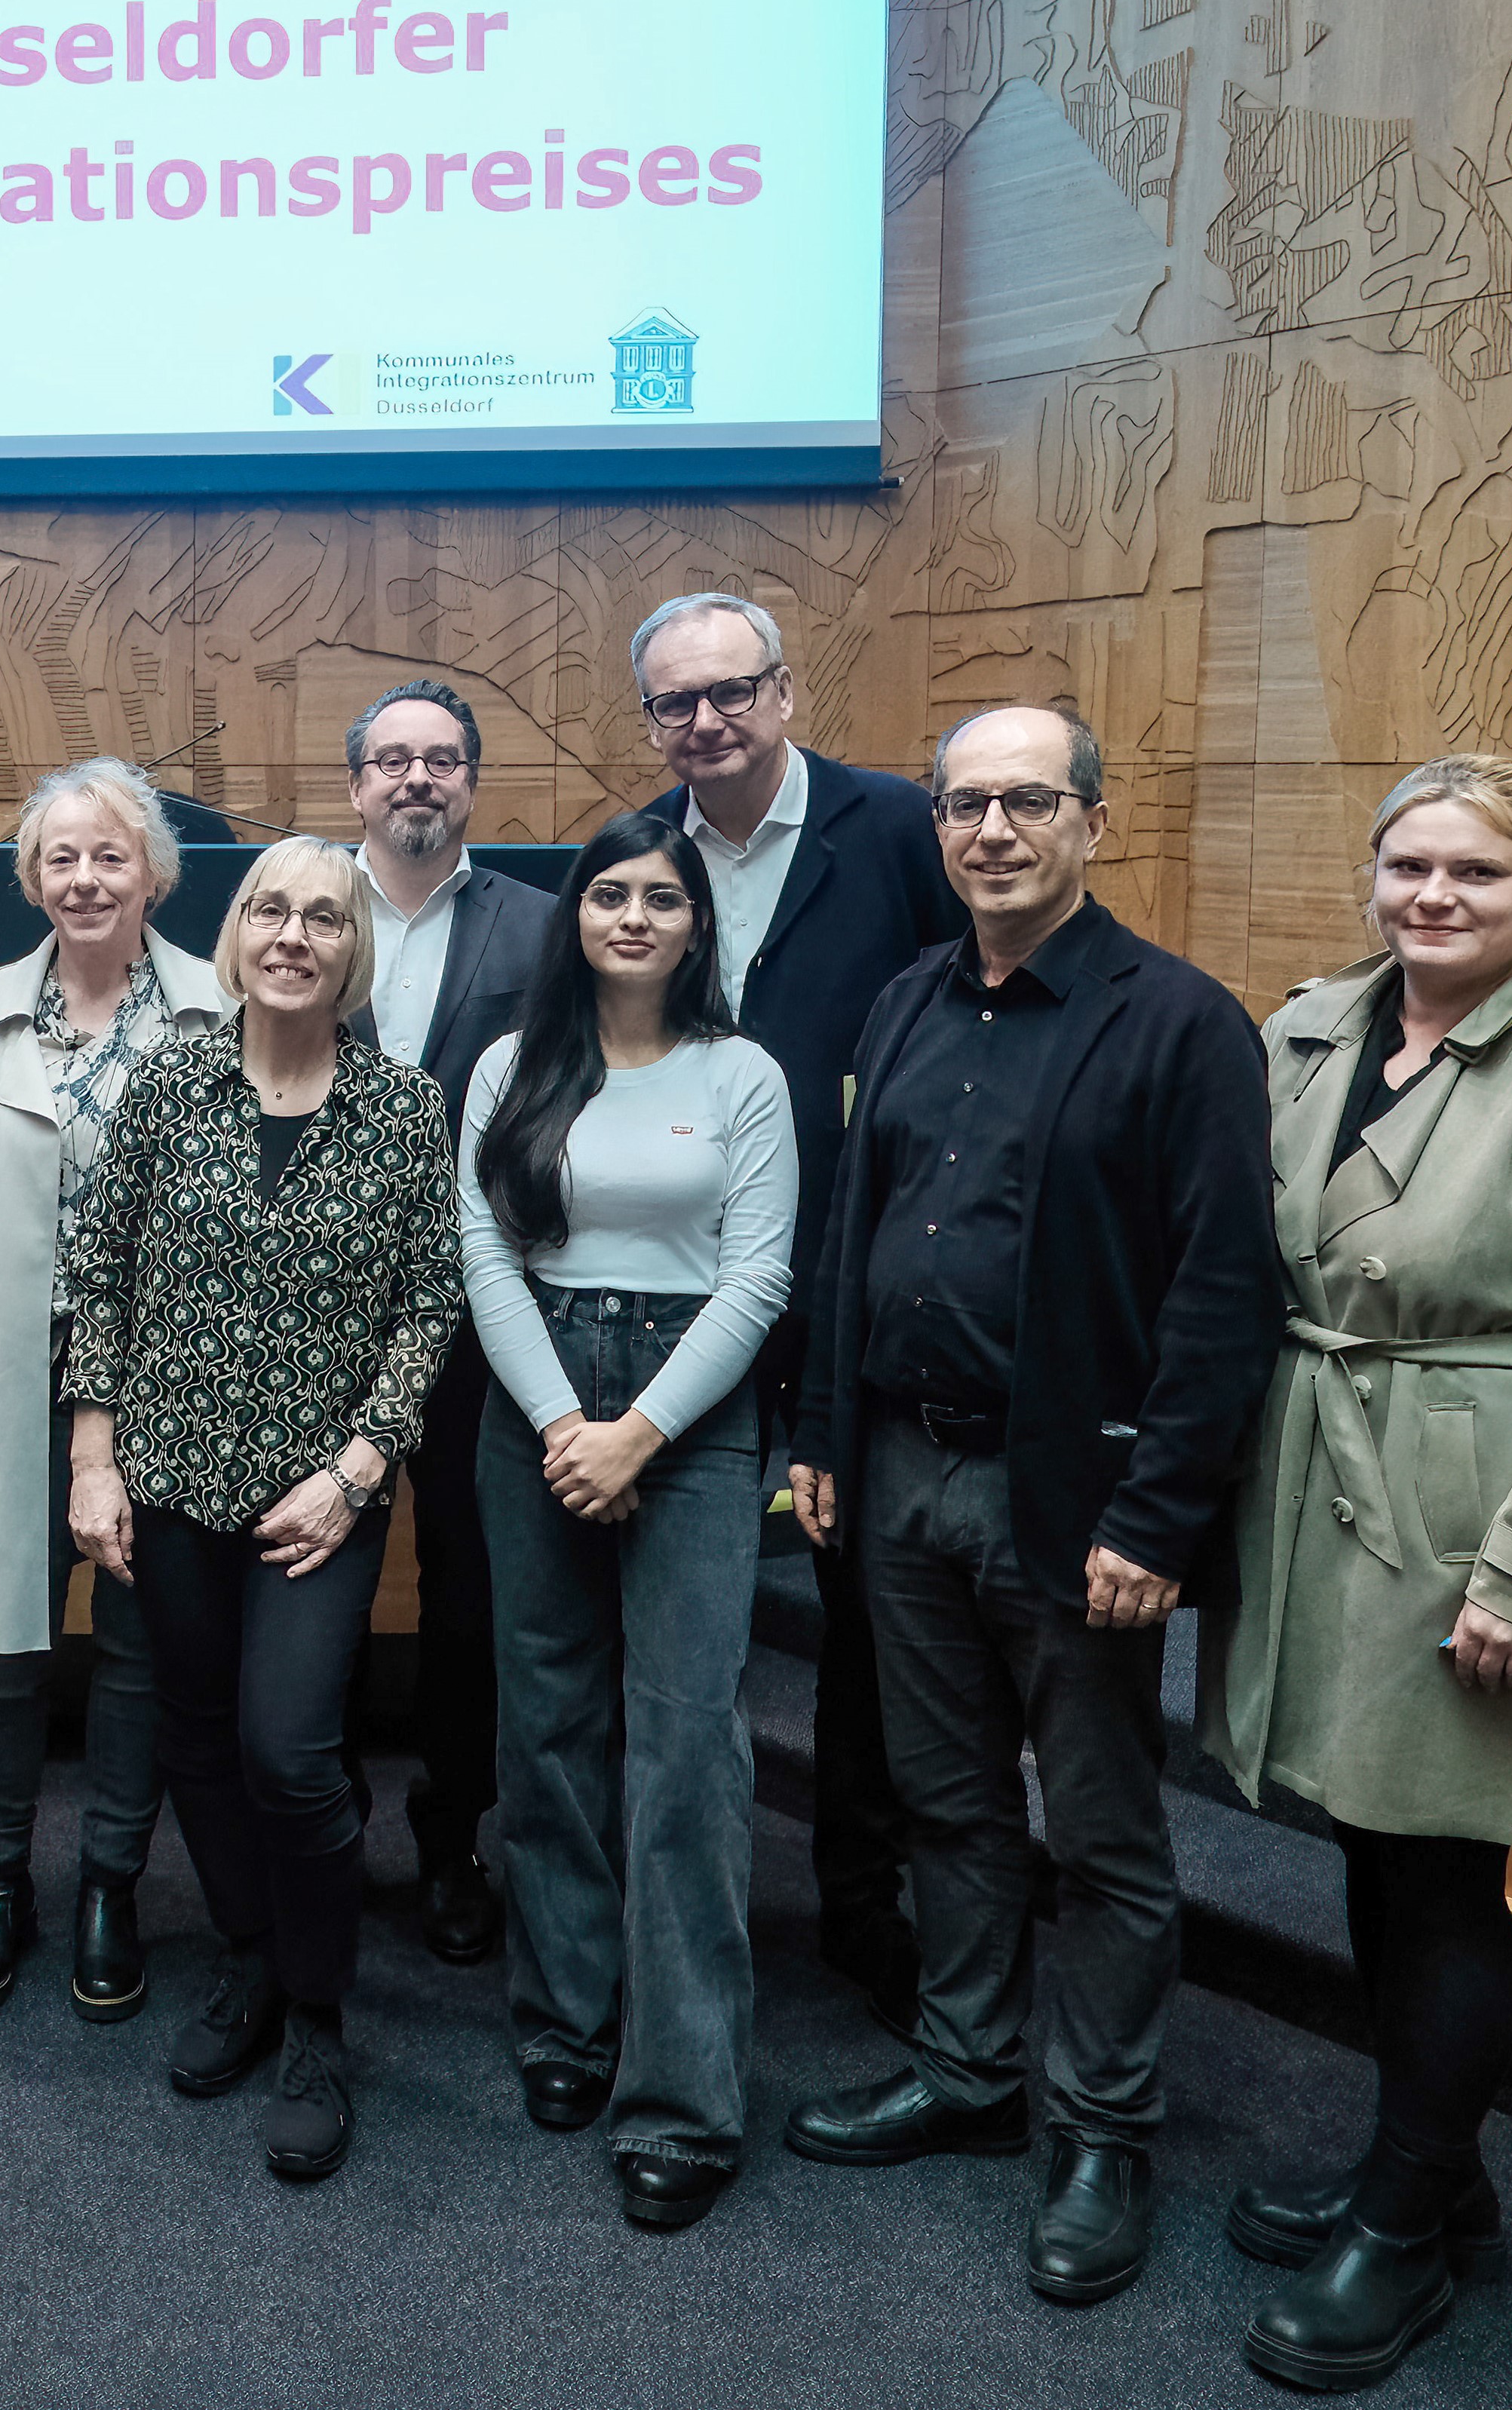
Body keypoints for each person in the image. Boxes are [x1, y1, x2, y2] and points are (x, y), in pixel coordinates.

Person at [1200, 759, 1512, 2391]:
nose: (1433, 895)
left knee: (1438, 1871)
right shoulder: (1310, 1031)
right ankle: (1438, 2170)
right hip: (1313, 1478)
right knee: (1370, 1833)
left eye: (1477, 872)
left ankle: (1405, 2226)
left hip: (1464, 1512)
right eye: (1408, 863)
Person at [782, 704, 1278, 2305]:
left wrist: (1158, 1514)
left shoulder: (1180, 1022)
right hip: (900, 1469)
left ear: (1092, 821)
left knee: (1104, 1831)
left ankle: (1104, 2129)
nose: (991, 830)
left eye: (1027, 801)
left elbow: (1223, 1292)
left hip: (1073, 1493)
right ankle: (970, 2065)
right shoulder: (907, 996)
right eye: (964, 804)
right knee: (945, 1801)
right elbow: (851, 1228)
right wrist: (823, 1426)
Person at [66, 837, 462, 2182]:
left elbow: (429, 1304)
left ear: (355, 951)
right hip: (168, 1476)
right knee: (191, 1736)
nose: (294, 935)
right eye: (271, 910)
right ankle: (249, 1957)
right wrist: (93, 1458)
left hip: (318, 1500)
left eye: (324, 918)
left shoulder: (404, 1107)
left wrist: (357, 1469)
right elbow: (102, 1272)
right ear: (237, 933)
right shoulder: (170, 1079)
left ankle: (319, 2014)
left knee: (289, 1751)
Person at [458, 813, 796, 2224]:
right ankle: (566, 2018)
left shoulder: (744, 1073)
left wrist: (640, 1430)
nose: (636, 916)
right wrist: (562, 1425)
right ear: (576, 916)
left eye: (664, 896)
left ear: (698, 924)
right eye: (610, 894)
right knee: (545, 1720)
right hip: (536, 1395)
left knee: (686, 1742)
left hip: (693, 1412)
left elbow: (760, 1275)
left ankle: (682, 2095)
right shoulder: (512, 1065)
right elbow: (484, 1250)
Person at [632, 592, 961, 2038]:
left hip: (855, 1278)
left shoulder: (896, 831)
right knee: (665, 1589)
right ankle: (656, 1897)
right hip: (679, 1286)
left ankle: (862, 1902)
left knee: (865, 1607)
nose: (707, 721)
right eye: (677, 701)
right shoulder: (643, 852)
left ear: (784, 690)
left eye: (732, 690)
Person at [0, 758, 221, 2022]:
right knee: (0, 1642)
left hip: (164, 1377)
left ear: (155, 874)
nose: (85, 878)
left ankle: (109, 1886)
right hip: (14, 1370)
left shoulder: (214, 1007)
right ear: (32, 878)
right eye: (60, 858)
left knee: (138, 1647)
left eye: (109, 855)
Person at [341, 677, 551, 1962]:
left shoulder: (540, 924)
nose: (417, 777)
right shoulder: (298, 908)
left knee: (470, 1589)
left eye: (442, 759)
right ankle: (319, 1831)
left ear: (471, 781)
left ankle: (453, 1834)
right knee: (313, 1567)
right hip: (319, 1311)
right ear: (357, 783)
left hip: (486, 1307)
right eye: (393, 759)